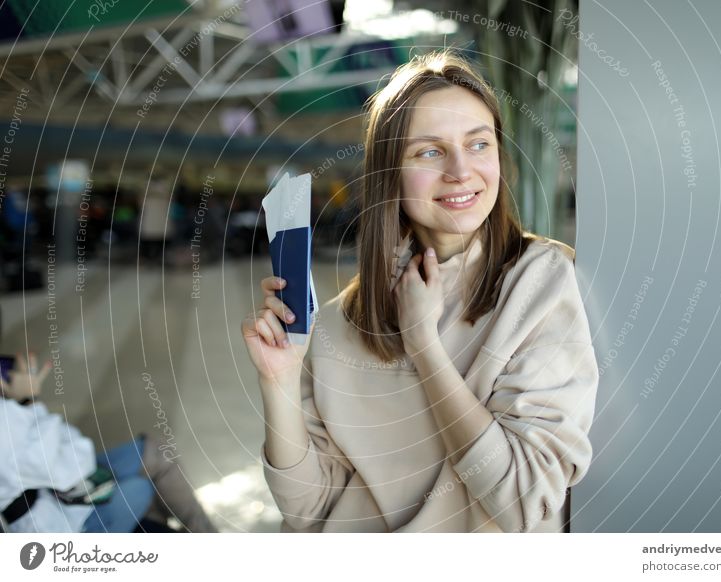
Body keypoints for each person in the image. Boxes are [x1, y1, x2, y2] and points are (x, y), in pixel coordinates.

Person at [242, 49, 599, 533]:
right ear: (389, 172)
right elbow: (307, 510)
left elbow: (522, 502)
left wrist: (423, 344)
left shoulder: (539, 280)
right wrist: (278, 380)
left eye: (479, 144)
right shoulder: (337, 321)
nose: (460, 170)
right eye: (429, 151)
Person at [0, 352, 217, 533]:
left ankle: (204, 538)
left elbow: (74, 450)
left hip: (61, 490)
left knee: (158, 453)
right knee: (143, 487)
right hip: (59, 528)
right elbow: (67, 462)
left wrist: (20, 406)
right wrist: (27, 402)